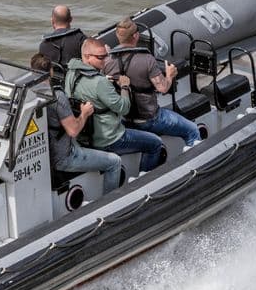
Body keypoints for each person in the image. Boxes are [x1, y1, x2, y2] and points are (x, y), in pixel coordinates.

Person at [65, 38, 164, 173]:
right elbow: (124, 108)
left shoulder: (71, 73)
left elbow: (87, 90)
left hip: (85, 136)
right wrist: (124, 86)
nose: (105, 60)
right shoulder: (99, 83)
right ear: (87, 57)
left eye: (106, 55)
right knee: (155, 143)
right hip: (109, 139)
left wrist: (104, 82)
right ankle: (145, 178)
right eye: (101, 57)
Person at [30, 53, 122, 194]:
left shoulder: (30, 92)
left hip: (47, 152)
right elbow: (73, 131)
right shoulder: (57, 96)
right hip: (64, 156)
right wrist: (84, 113)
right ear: (51, 71)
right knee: (114, 162)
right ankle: (111, 202)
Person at [104, 17, 201, 147]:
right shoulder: (147, 59)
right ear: (136, 35)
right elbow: (163, 88)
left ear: (117, 36)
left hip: (125, 119)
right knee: (192, 130)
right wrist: (170, 75)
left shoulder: (108, 62)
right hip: (150, 119)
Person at [38, 5, 86, 70]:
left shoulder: (43, 45)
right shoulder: (80, 38)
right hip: (76, 78)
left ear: (52, 21)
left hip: (54, 79)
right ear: (71, 19)